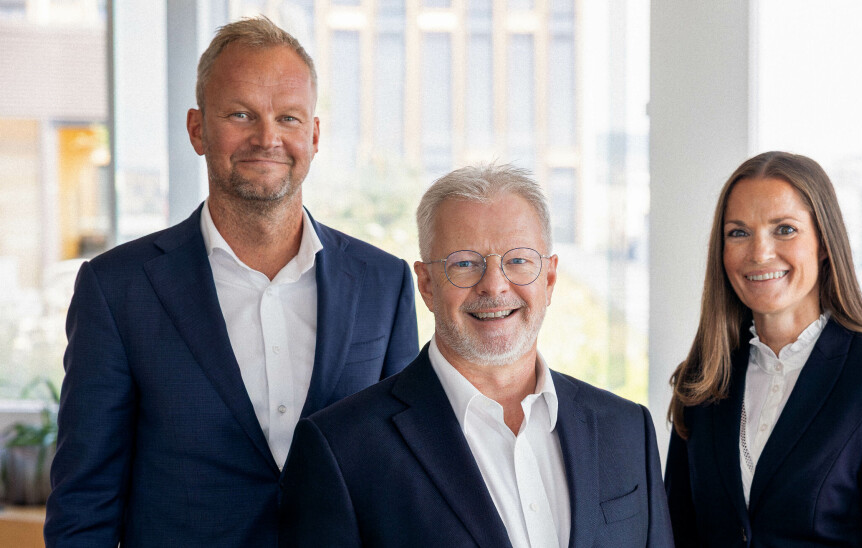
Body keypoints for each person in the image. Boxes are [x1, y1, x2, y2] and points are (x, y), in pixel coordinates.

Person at [44, 17, 418, 547]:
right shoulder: (117, 290)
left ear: (313, 136)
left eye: (287, 117)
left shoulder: (385, 283)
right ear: (198, 129)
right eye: (240, 114)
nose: (267, 138)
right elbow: (84, 504)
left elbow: (403, 484)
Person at [278, 163, 674, 547]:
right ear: (428, 284)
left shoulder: (627, 429)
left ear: (549, 279)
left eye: (518, 260)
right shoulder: (343, 449)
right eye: (465, 264)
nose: (495, 285)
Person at [664, 151, 862, 547]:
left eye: (785, 229)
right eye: (738, 232)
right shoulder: (703, 378)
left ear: (824, 243)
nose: (759, 253)